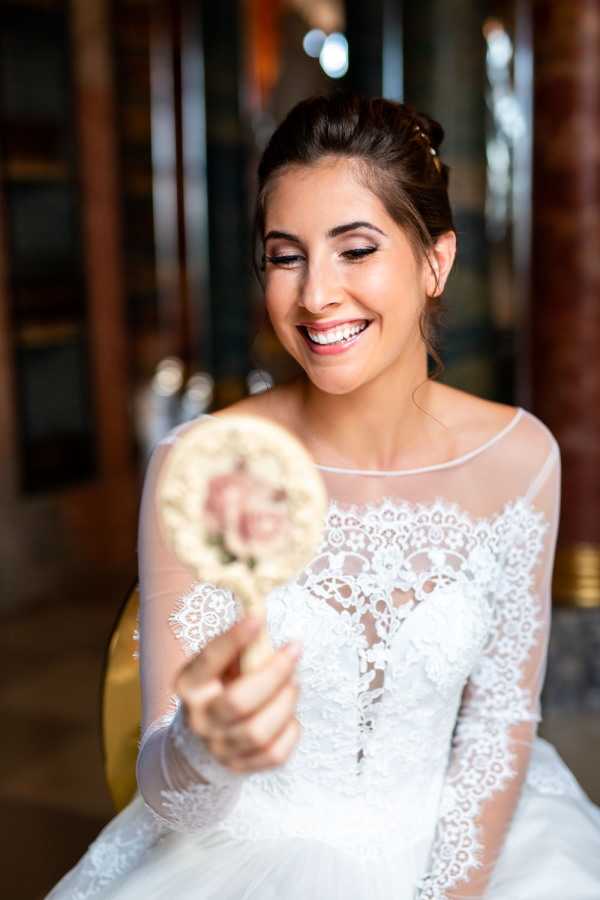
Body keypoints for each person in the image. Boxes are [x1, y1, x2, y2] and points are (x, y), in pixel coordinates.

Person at [47, 94, 600, 900]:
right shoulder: (203, 465)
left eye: (356, 249)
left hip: (473, 852)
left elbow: (497, 724)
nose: (315, 296)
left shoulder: (520, 458)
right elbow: (173, 798)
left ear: (435, 260)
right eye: (285, 256)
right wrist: (205, 749)